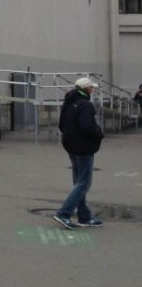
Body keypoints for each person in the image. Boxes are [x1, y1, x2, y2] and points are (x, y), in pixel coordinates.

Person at [53, 78, 104, 230]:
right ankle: (64, 213)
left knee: (79, 182)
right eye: (91, 88)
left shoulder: (69, 102)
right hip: (84, 146)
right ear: (86, 89)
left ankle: (84, 216)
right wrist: (99, 134)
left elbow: (61, 124)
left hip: (71, 145)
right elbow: (87, 126)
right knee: (83, 183)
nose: (92, 90)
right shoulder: (85, 104)